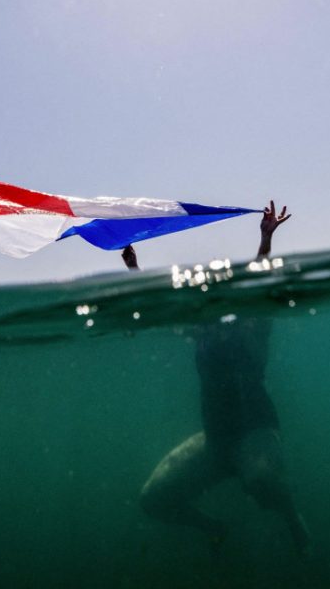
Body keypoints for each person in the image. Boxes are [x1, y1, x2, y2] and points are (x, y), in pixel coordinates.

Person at [123, 201, 312, 556]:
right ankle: (215, 528)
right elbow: (155, 310)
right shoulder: (201, 330)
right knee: (152, 500)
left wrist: (265, 238)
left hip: (257, 430)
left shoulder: (254, 323)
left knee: (262, 480)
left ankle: (292, 518)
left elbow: (258, 281)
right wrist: (134, 268)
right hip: (215, 440)